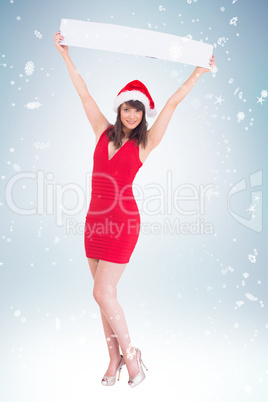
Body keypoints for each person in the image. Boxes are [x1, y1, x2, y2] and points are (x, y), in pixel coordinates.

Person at [53, 30, 216, 388]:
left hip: (123, 222)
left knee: (102, 292)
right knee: (103, 294)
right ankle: (113, 358)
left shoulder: (146, 144)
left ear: (143, 115)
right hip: (94, 221)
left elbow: (171, 104)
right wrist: (65, 54)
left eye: (138, 110)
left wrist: (197, 73)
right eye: (127, 107)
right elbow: (83, 92)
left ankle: (131, 356)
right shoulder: (100, 130)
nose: (131, 114)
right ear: (120, 108)